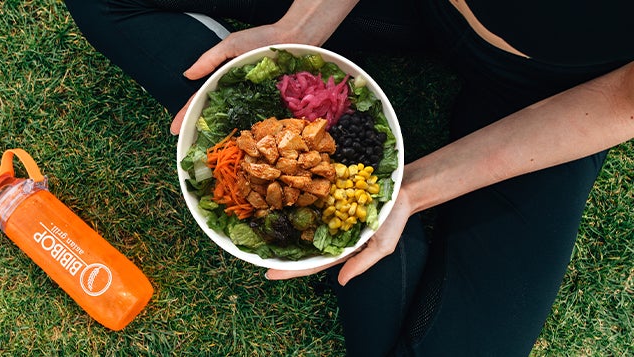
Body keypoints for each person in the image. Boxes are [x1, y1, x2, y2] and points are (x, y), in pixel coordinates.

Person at [63, 0, 634, 355]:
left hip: (553, 94)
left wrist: (406, 193)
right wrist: (298, 27)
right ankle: (299, 129)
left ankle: (369, 188)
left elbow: (623, 103)